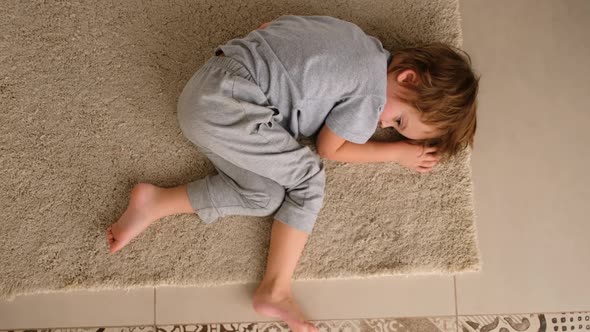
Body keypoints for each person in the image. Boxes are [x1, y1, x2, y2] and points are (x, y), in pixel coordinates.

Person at [106, 15, 479, 332]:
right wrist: (396, 153)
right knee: (308, 180)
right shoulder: (370, 95)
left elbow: (274, 25)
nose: (383, 124)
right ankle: (275, 288)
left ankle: (156, 202)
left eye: (395, 130)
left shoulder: (354, 36)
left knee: (264, 195)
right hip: (230, 102)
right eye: (398, 120)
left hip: (209, 87)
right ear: (407, 78)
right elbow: (331, 148)